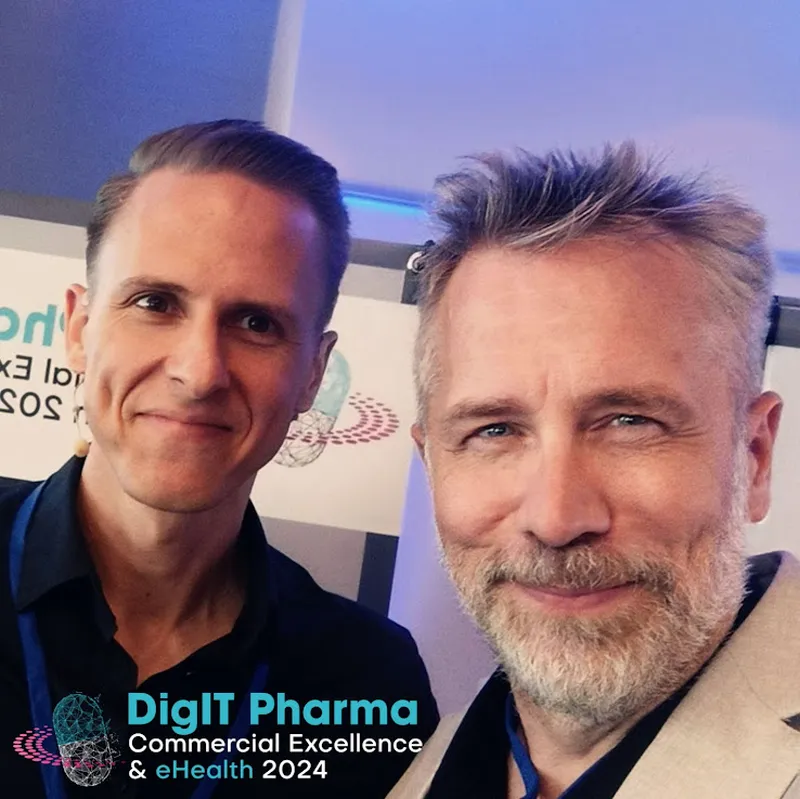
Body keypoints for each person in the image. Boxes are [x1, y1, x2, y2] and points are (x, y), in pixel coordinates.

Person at [0, 120, 438, 798]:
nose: (200, 371)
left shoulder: (369, 682)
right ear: (80, 330)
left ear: (314, 373)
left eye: (257, 323)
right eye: (155, 302)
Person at [389, 143, 800, 798]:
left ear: (753, 456)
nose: (556, 519)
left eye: (630, 422)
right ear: (433, 466)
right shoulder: (412, 774)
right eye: (494, 430)